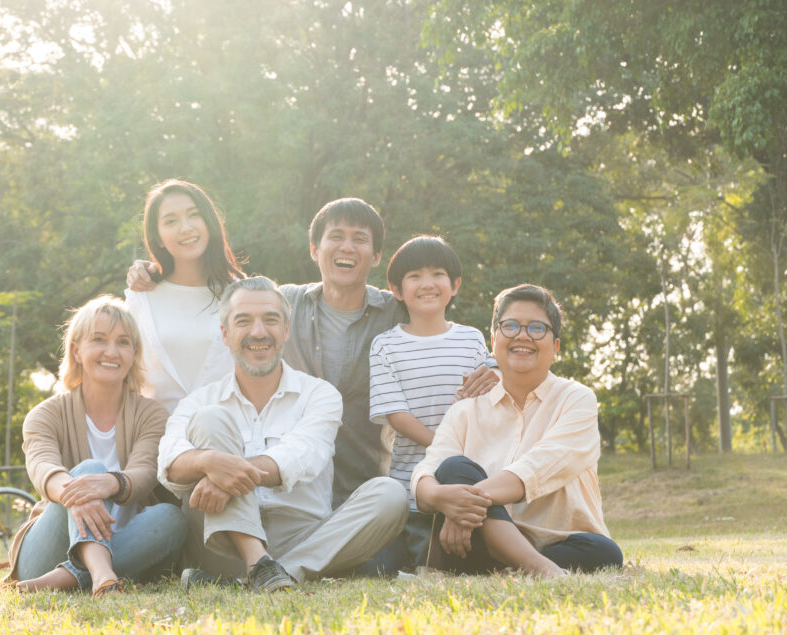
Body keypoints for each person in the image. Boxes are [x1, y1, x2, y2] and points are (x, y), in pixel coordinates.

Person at [130, 197, 497, 506]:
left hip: (364, 481)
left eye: (360, 239)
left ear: (375, 256)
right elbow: (231, 297)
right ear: (314, 250)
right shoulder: (285, 302)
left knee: (374, 557)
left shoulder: (395, 313)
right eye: (335, 237)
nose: (347, 247)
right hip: (288, 485)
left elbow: (446, 331)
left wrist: (493, 365)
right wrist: (157, 273)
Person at [157, 276, 408, 591]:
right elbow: (168, 464)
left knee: (390, 495)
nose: (258, 332)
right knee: (211, 420)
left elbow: (303, 455)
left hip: (301, 540)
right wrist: (208, 460)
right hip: (220, 545)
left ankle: (255, 578)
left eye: (270, 320)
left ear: (286, 330)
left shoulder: (319, 394)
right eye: (244, 321)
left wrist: (226, 473)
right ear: (225, 334)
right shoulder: (199, 401)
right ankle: (256, 564)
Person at [412, 284, 623, 576]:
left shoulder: (576, 399)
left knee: (604, 552)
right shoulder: (466, 410)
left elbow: (542, 467)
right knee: (455, 466)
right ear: (493, 339)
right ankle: (537, 567)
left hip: (556, 540)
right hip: (478, 539)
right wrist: (441, 499)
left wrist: (464, 503)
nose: (522, 335)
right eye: (510, 326)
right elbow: (426, 473)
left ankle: (511, 563)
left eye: (537, 328)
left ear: (556, 347)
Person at [6, 295, 187, 595]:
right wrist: (83, 490)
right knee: (88, 470)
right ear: (76, 351)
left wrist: (109, 483)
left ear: (134, 353)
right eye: (99, 339)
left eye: (123, 342)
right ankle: (101, 573)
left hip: (128, 542)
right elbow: (42, 468)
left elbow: (145, 472)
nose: (111, 352)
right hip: (46, 554)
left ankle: (69, 578)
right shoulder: (45, 415)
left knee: (172, 517)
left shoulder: (152, 414)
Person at [366, 235, 494, 573]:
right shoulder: (385, 346)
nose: (427, 284)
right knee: (397, 564)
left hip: (466, 480)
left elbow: (490, 391)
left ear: (455, 286)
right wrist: (444, 443)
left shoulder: (471, 339)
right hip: (410, 489)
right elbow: (396, 414)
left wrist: (489, 385)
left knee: (463, 558)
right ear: (396, 289)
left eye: (438, 274)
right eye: (414, 276)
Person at [125, 179, 245, 413]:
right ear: (157, 236)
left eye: (194, 215)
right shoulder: (141, 298)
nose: (186, 227)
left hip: (229, 438)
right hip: (157, 439)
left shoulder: (240, 294)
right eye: (171, 221)